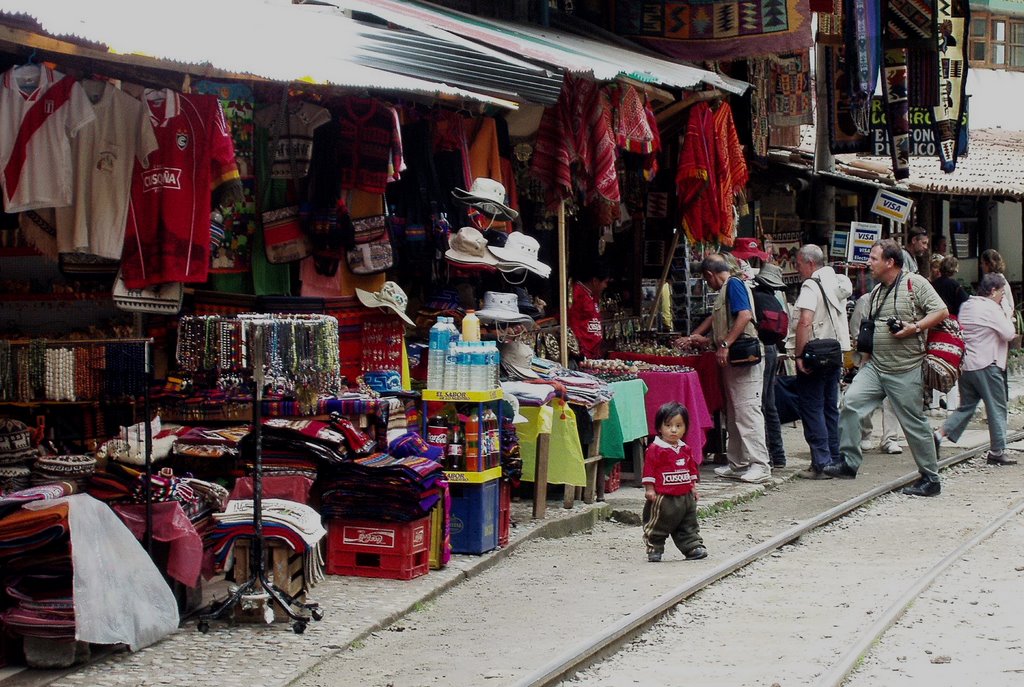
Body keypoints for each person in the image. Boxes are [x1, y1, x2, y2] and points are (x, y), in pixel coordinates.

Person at [824, 239, 949, 496]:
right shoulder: (877, 292)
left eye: (873, 258)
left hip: (906, 367)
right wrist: (863, 364)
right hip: (876, 366)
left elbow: (941, 311)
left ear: (889, 262)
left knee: (914, 423)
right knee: (850, 403)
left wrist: (913, 328)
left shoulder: (916, 283)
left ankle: (931, 478)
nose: (869, 263)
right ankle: (849, 462)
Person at [678, 257, 772, 484]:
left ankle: (760, 464)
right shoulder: (727, 289)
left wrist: (724, 344)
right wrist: (705, 339)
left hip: (743, 358)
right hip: (734, 360)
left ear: (710, 274)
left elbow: (745, 316)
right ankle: (737, 462)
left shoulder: (734, 285)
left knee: (747, 410)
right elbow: (721, 321)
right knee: (735, 412)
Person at [935, 273, 1018, 465]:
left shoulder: (968, 305)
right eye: (1001, 293)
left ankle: (939, 434)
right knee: (997, 407)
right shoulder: (990, 308)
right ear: (992, 291)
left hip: (967, 366)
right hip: (987, 364)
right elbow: (1008, 333)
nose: (1002, 297)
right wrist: (1006, 312)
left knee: (966, 406)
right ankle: (997, 452)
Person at [792, 244, 852, 479]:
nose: (797, 269)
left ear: (810, 263)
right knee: (830, 408)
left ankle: (821, 463)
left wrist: (798, 355)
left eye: (798, 264)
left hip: (815, 356)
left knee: (812, 408)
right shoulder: (837, 282)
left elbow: (805, 321)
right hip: (835, 354)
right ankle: (835, 459)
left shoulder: (811, 285)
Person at [642, 402, 707, 562]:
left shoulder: (685, 448)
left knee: (688, 523)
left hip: (685, 495)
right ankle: (654, 548)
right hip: (665, 496)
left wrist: (693, 488)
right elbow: (649, 470)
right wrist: (650, 489)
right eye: (668, 425)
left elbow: (691, 469)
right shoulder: (655, 449)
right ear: (659, 427)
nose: (673, 430)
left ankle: (692, 546)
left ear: (685, 427)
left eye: (678, 425)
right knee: (658, 524)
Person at [850, 292, 905, 455]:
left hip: (892, 354)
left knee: (891, 398)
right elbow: (856, 325)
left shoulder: (899, 298)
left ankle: (889, 438)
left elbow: (855, 325)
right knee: (866, 395)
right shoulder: (867, 299)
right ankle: (867, 435)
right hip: (872, 354)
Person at [752, 262, 789, 468]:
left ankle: (767, 454)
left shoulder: (755, 297)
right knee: (770, 403)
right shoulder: (774, 300)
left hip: (761, 350)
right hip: (773, 349)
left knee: (760, 404)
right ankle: (779, 455)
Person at [568, 263, 610, 360]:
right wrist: (580, 349)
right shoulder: (577, 294)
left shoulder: (592, 295)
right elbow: (572, 321)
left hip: (593, 352)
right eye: (605, 282)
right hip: (582, 354)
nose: (605, 286)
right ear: (595, 281)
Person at [981, 249, 1016, 323]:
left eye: (983, 263)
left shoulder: (993, 281)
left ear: (989, 264)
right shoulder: (1001, 278)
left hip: (999, 320)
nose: (981, 266)